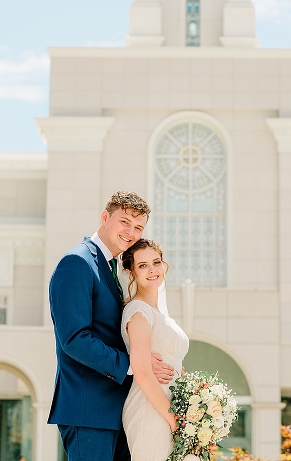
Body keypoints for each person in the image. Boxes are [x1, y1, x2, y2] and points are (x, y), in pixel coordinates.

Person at [47, 191, 175, 461]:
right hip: (89, 409)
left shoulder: (114, 268)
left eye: (138, 227)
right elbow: (75, 339)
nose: (131, 232)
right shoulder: (77, 263)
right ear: (105, 217)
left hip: (120, 409)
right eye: (124, 222)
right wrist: (136, 364)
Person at [120, 239, 189, 461]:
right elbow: (141, 372)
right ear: (131, 272)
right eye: (142, 265)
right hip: (151, 410)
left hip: (175, 409)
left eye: (156, 262)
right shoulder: (138, 311)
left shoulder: (161, 314)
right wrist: (173, 419)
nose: (152, 270)